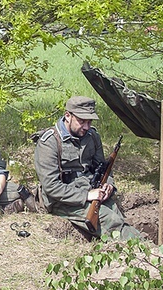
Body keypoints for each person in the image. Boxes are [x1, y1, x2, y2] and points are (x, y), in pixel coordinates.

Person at [34, 96, 140, 240]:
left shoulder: (92, 136)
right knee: (108, 219)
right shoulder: (49, 142)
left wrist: (109, 185)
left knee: (116, 211)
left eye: (89, 121)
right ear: (67, 116)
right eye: (81, 121)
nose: (86, 126)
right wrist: (87, 196)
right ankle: (146, 250)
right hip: (62, 199)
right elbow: (51, 187)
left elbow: (102, 168)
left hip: (91, 189)